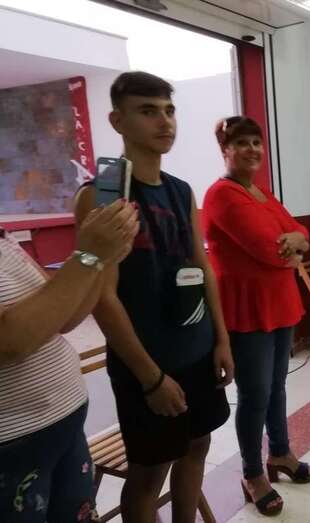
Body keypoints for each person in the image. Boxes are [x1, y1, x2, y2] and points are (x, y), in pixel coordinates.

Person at [74, 71, 233, 522]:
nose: (164, 122)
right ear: (117, 121)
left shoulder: (180, 191)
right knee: (148, 475)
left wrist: (221, 339)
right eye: (148, 111)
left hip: (197, 351)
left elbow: (202, 268)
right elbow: (102, 297)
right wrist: (151, 379)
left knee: (197, 447)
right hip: (146, 365)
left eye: (169, 110)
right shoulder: (103, 195)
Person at [202, 116, 310, 517]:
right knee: (254, 395)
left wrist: (297, 241)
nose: (252, 149)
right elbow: (270, 249)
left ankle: (280, 453)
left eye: (256, 142)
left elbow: (299, 232)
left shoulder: (261, 192)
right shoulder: (222, 195)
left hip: (280, 303)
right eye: (242, 143)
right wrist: (291, 249)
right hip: (247, 309)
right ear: (225, 150)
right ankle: (252, 474)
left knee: (277, 387)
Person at [0, 200, 138, 522]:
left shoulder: (3, 239)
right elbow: (11, 341)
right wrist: (87, 257)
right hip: (12, 450)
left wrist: (101, 260)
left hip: (65, 429)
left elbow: (63, 317)